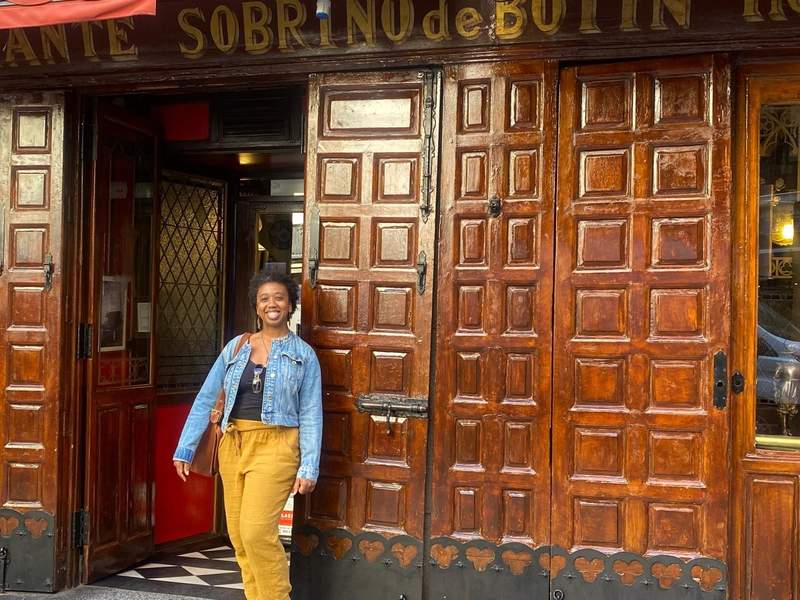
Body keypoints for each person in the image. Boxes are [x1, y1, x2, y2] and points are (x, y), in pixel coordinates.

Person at [172, 269, 322, 600]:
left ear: (290, 304)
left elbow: (311, 413)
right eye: (265, 298)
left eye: (279, 298)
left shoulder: (304, 355)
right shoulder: (237, 347)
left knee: (256, 532)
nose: (272, 304)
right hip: (233, 443)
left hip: (277, 445)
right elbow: (208, 396)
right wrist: (185, 447)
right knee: (239, 537)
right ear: (256, 306)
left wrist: (309, 466)